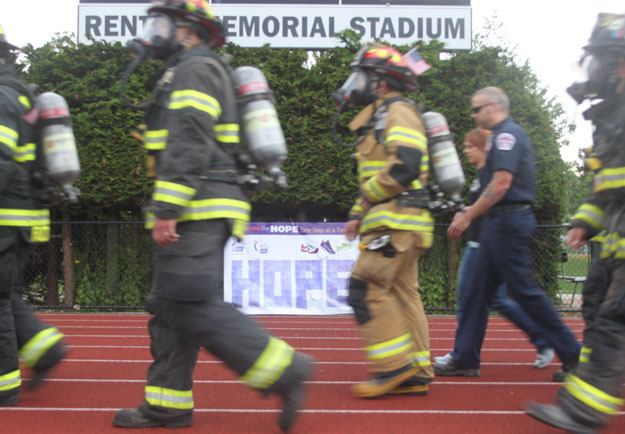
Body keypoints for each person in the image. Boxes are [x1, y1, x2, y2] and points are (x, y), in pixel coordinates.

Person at [112, 1, 313, 431]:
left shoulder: (195, 69)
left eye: (162, 22)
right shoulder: (190, 69)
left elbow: (189, 140)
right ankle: (167, 403)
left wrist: (167, 209)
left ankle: (286, 370)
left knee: (189, 305)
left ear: (189, 30)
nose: (154, 31)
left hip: (197, 207)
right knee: (171, 308)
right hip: (202, 204)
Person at [436, 86, 581, 378]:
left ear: (494, 106)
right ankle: (465, 358)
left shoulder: (506, 135)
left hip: (507, 223)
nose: (474, 115)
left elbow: (501, 184)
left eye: (477, 109)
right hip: (495, 224)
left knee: (525, 291)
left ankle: (575, 357)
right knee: (475, 293)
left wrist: (467, 217)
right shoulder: (497, 139)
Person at [526, 13, 625, 433]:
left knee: (613, 321)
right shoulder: (611, 119)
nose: (593, 72)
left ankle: (583, 411)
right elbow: (605, 187)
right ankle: (585, 393)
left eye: (598, 62)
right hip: (616, 237)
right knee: (599, 305)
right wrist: (585, 222)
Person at [334, 44, 434, 398]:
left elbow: (405, 165)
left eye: (361, 75)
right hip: (399, 220)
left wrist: (368, 199)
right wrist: (359, 213)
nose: (354, 82)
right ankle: (417, 370)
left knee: (366, 288)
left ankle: (394, 368)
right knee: (404, 295)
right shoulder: (380, 114)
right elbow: (379, 177)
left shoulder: (397, 110)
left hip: (396, 222)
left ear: (379, 82)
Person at [434, 128, 554, 372]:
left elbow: (496, 202)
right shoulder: (481, 175)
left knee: (478, 298)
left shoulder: (493, 173)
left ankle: (466, 357)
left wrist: (466, 215)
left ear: (481, 148)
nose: (465, 151)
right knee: (488, 299)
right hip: (480, 242)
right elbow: (481, 204)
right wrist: (464, 210)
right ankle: (466, 356)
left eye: (469, 146)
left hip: (486, 244)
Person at [0, 24, 68, 406]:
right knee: (6, 294)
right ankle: (45, 349)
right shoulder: (21, 92)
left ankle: (3, 385)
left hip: (4, 218)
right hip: (22, 216)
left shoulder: (1, 96)